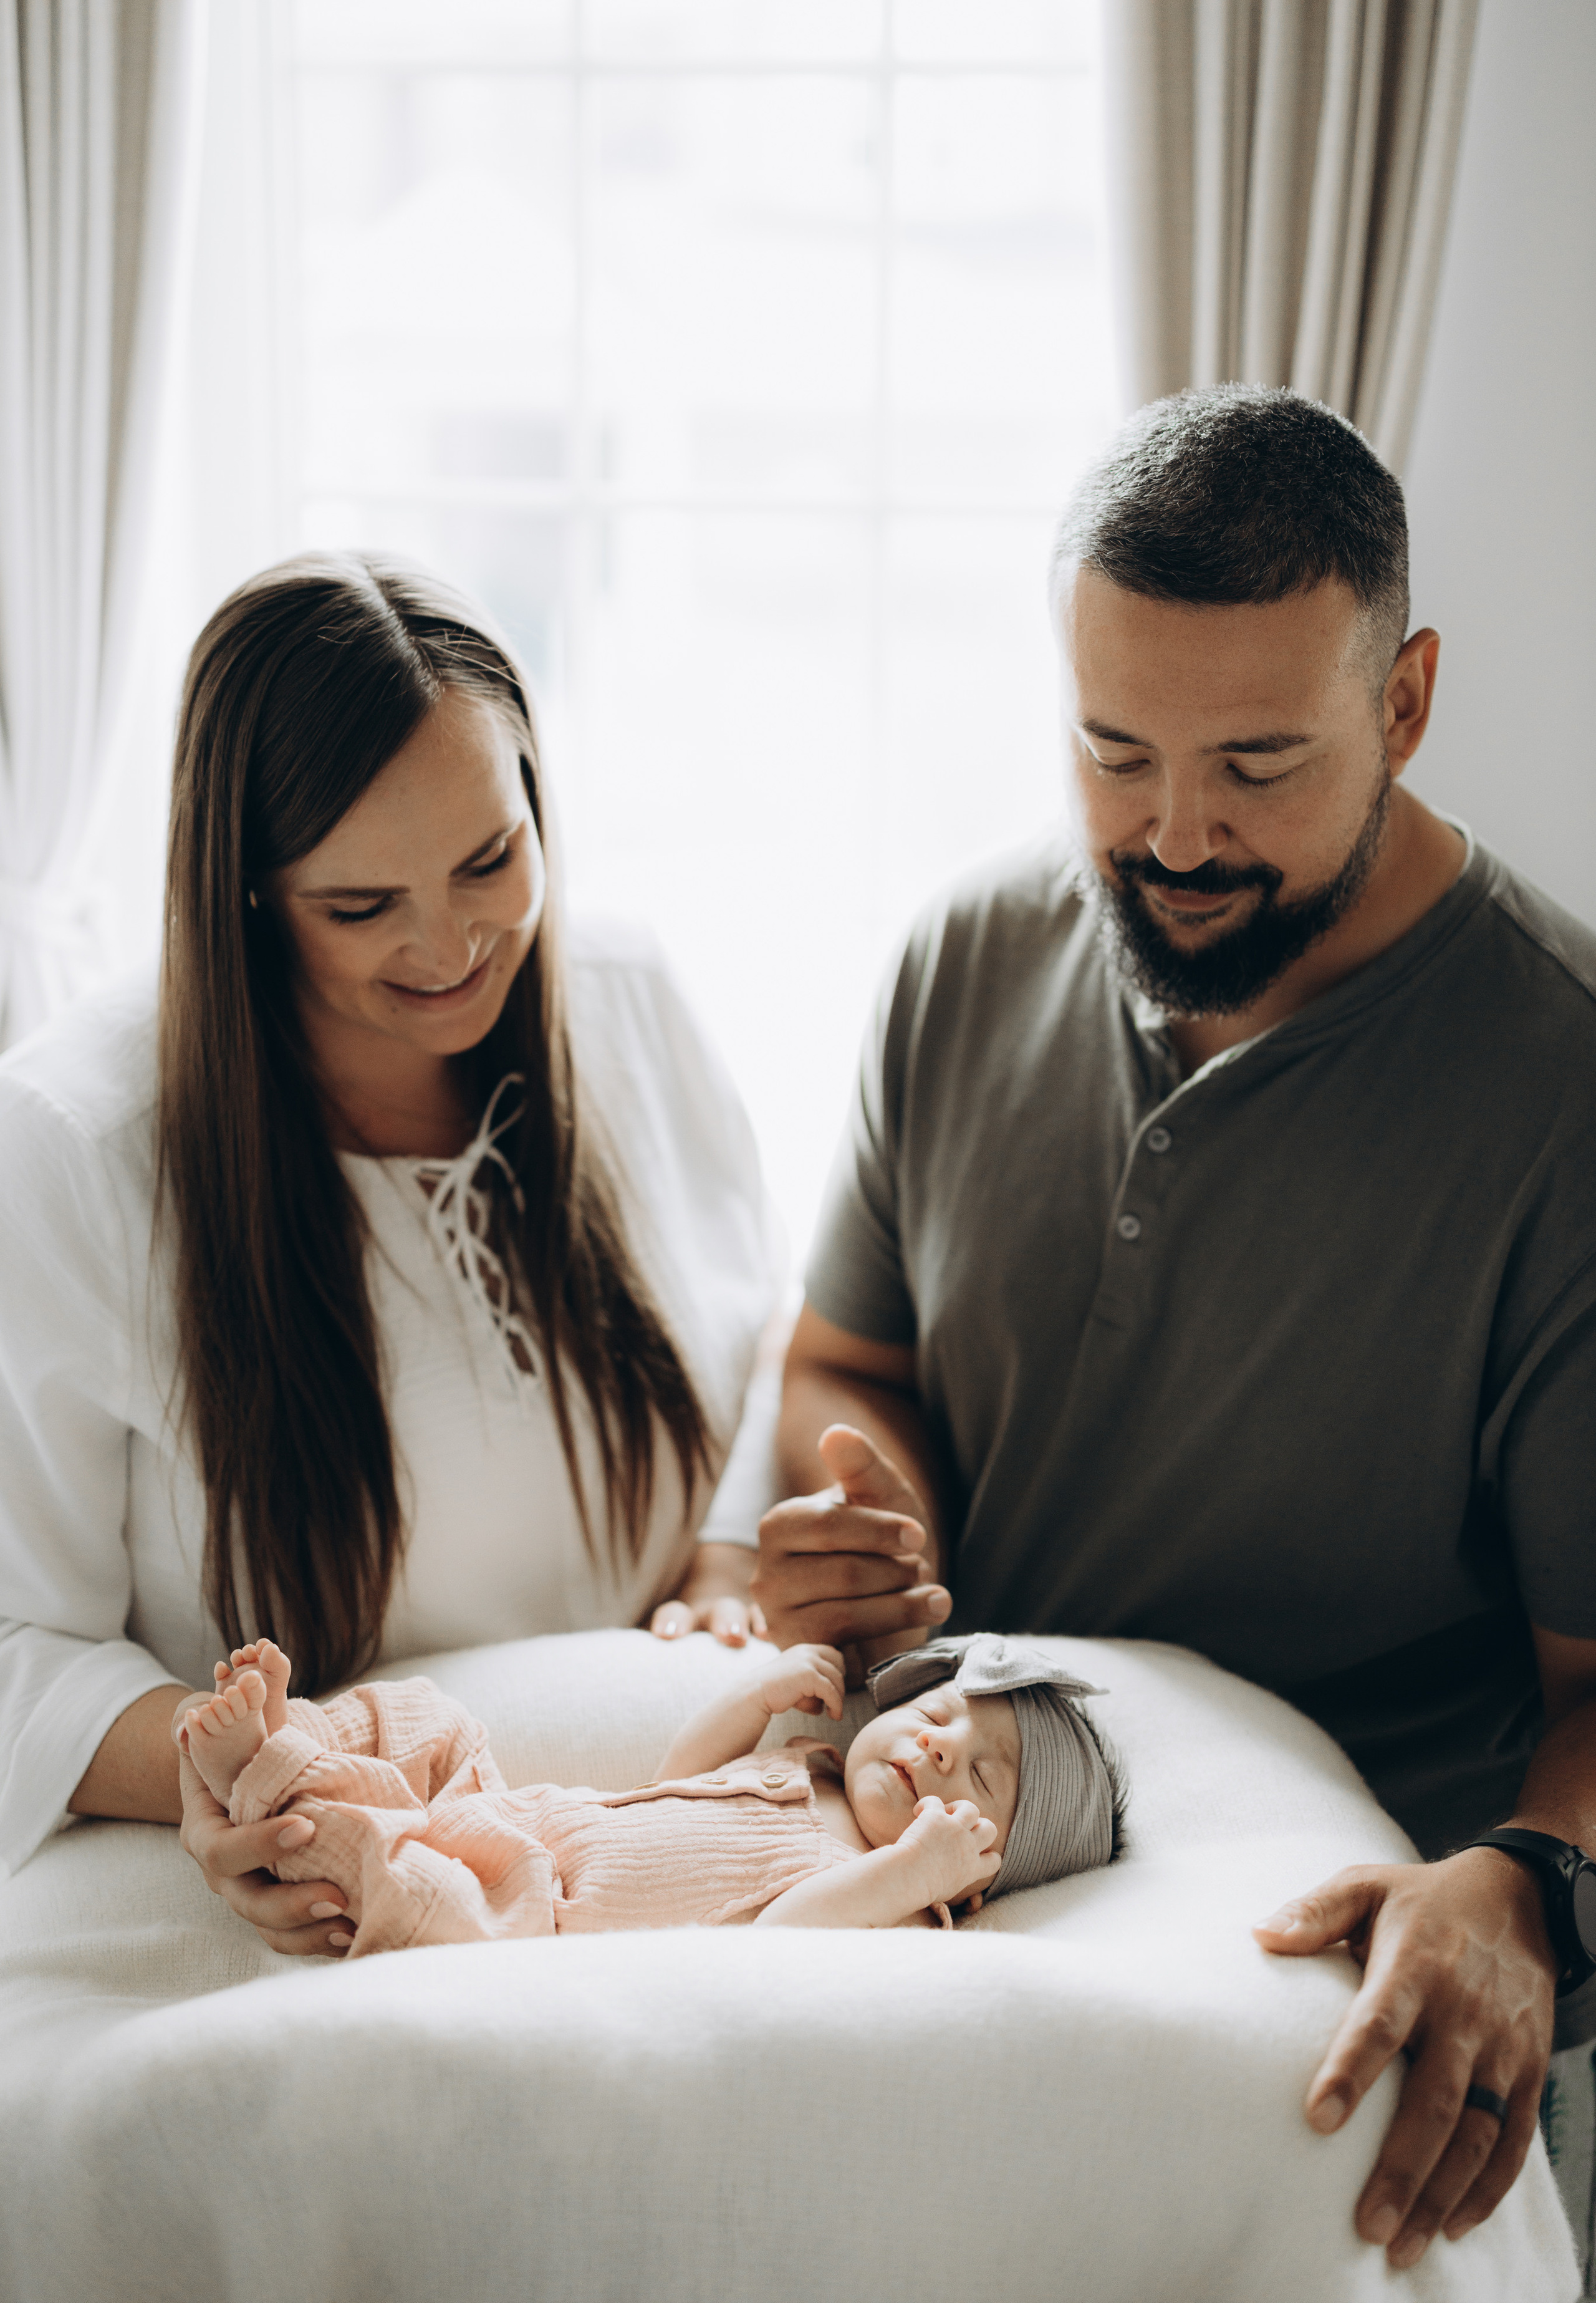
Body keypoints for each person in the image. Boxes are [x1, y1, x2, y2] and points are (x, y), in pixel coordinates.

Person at [747, 388, 1596, 2276]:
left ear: (1409, 702)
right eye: (1113, 751)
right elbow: (853, 1358)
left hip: (1340, 1948)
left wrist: (1528, 1892)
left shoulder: (1561, 1089)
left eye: (1259, 763)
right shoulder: (961, 956)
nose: (1177, 832)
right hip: (958, 1853)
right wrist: (871, 1523)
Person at [0, 553, 782, 1954]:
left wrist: (729, 1561)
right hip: (347, 1873)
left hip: (659, 1836)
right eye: (361, 907)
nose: (453, 941)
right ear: (244, 893)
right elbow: (14, 1650)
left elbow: (763, 1332)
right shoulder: (73, 1146)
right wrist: (225, 1762)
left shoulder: (621, 995)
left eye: (492, 857)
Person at [171, 1630, 1118, 1947]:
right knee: (428, 1720)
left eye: (985, 1775)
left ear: (976, 1877)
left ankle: (271, 1774)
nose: (941, 1749)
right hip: (535, 1817)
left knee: (405, 1886)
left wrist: (915, 1874)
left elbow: (780, 1941)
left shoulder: (896, 1907)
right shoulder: (809, 1769)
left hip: (532, 1922)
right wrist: (754, 1700)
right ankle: (305, 1734)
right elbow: (679, 1785)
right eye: (939, 1713)